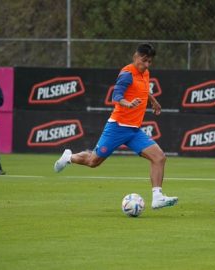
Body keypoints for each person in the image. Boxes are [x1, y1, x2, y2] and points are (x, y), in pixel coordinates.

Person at [54, 43, 178, 209]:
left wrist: (153, 101)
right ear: (136, 57)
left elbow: (143, 90)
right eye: (144, 60)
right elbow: (116, 95)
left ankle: (157, 197)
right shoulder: (127, 74)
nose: (147, 64)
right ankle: (68, 158)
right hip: (117, 127)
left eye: (150, 61)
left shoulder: (145, 73)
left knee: (159, 157)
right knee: (93, 161)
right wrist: (127, 104)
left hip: (134, 130)